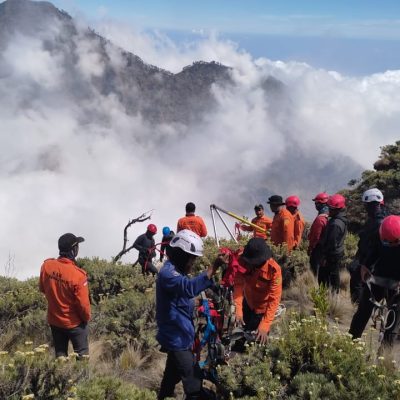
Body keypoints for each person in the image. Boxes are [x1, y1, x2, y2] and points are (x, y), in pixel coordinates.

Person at [156, 229, 227, 400]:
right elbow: (187, 288)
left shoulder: (175, 271)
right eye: (192, 258)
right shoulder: (168, 273)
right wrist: (214, 266)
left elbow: (179, 297)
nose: (193, 262)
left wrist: (196, 303)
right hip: (177, 339)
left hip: (180, 336)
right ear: (181, 255)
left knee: (170, 379)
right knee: (194, 387)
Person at [349, 215, 400, 343]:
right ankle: (351, 342)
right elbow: (372, 252)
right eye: (385, 242)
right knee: (363, 312)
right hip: (377, 278)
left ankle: (385, 355)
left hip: (397, 283)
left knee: (393, 320)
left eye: (392, 243)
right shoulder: (381, 233)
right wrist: (365, 267)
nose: (388, 245)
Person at [39, 233, 90, 358]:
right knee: (82, 357)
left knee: (60, 356)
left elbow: (42, 288)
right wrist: (86, 319)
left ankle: (61, 377)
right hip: (74, 324)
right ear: (74, 250)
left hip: (55, 321)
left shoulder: (46, 266)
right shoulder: (79, 275)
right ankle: (80, 377)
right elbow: (83, 306)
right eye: (77, 246)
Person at [234, 238, 282, 344]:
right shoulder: (242, 260)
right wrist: (238, 309)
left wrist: (265, 324)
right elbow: (238, 284)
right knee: (241, 335)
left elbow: (274, 299)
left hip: (262, 310)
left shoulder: (274, 270)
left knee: (256, 340)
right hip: (247, 302)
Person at [349, 188, 386, 304]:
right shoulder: (376, 219)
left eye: (366, 205)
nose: (365, 207)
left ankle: (359, 306)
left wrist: (364, 262)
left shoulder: (378, 222)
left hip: (370, 261)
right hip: (368, 259)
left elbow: (371, 244)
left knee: (359, 283)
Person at [318, 194, 348, 292]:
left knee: (326, 276)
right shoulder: (340, 220)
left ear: (337, 209)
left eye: (331, 208)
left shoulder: (335, 224)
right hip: (336, 253)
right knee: (334, 274)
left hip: (331, 255)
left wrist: (324, 257)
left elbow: (331, 243)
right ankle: (333, 294)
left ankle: (331, 295)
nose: (329, 210)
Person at [308, 192, 330, 276]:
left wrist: (311, 248)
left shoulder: (320, 219)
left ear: (320, 203)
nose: (315, 205)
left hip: (318, 249)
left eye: (316, 203)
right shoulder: (329, 215)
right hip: (326, 248)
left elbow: (316, 237)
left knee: (315, 269)